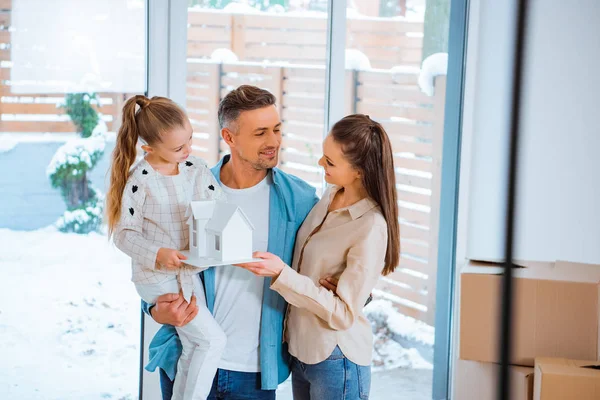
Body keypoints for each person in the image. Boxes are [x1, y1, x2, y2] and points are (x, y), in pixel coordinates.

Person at [141, 85, 319, 400]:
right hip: (187, 360)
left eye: (277, 130)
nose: (274, 141)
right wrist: (153, 309)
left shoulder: (300, 199)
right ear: (229, 137)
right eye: (261, 133)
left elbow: (319, 270)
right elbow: (152, 262)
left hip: (254, 375)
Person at [236, 114, 400, 400]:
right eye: (324, 156)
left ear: (359, 170)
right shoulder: (330, 195)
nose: (320, 164)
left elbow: (343, 314)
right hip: (303, 352)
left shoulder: (371, 225)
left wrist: (281, 274)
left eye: (330, 162)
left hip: (336, 357)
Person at [106, 95, 229, 399]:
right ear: (149, 148)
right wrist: (158, 254)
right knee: (211, 341)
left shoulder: (195, 167)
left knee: (194, 345)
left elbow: (219, 205)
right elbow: (124, 234)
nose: (187, 150)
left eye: (190, 140)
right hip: (156, 277)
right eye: (178, 148)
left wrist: (219, 232)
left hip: (187, 272)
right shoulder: (139, 181)